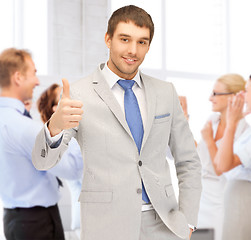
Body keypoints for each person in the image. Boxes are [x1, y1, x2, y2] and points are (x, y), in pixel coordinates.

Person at [32, 5, 201, 240]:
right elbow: (42, 162)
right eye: (125, 39)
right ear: (108, 39)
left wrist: (188, 221)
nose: (133, 50)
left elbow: (189, 160)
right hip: (106, 226)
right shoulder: (79, 93)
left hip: (164, 225)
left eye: (142, 42)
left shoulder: (166, 92)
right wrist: (55, 127)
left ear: (149, 46)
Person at [0, 48, 65, 240]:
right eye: (34, 73)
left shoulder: (12, 121)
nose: (37, 81)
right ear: (18, 77)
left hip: (17, 218)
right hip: (35, 223)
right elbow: (71, 167)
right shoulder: (22, 127)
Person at [196, 74, 248, 240]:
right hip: (201, 196)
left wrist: (210, 141)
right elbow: (199, 156)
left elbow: (221, 168)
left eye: (216, 94)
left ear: (234, 96)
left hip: (222, 199)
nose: (210, 98)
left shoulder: (243, 131)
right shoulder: (212, 120)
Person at [37, 83, 83, 236]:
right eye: (62, 97)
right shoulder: (58, 142)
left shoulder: (75, 132)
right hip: (85, 222)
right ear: (54, 108)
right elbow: (76, 170)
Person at [212, 77, 251, 240]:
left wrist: (232, 123)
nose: (242, 94)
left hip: (242, 197)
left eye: (247, 90)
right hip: (235, 197)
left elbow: (223, 164)